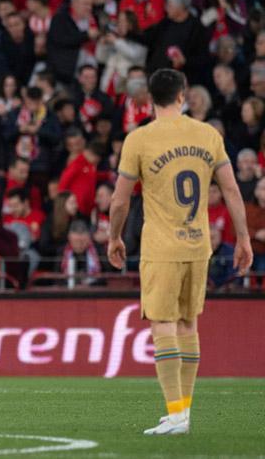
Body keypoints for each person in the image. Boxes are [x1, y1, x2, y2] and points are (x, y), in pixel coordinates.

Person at [107, 69, 253, 435]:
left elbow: (120, 200)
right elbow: (233, 190)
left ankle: (175, 414)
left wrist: (114, 237)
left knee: (163, 324)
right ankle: (182, 413)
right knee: (189, 324)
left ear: (148, 100)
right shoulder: (207, 134)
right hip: (199, 244)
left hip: (162, 246)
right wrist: (244, 238)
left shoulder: (139, 139)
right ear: (182, 95)